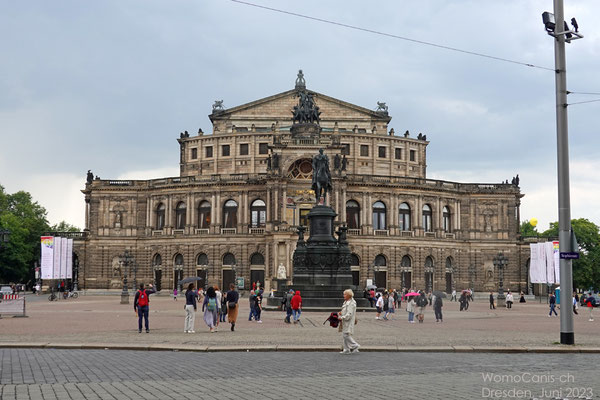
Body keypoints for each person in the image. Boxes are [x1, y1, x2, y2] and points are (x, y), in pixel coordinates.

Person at [338, 289, 359, 354]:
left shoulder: (351, 303)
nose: (343, 295)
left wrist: (342, 317)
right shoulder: (346, 302)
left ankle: (355, 345)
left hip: (348, 321)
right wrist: (341, 313)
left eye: (345, 294)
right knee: (345, 334)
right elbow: (345, 311)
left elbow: (349, 314)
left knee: (346, 335)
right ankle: (346, 349)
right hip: (345, 321)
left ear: (349, 295)